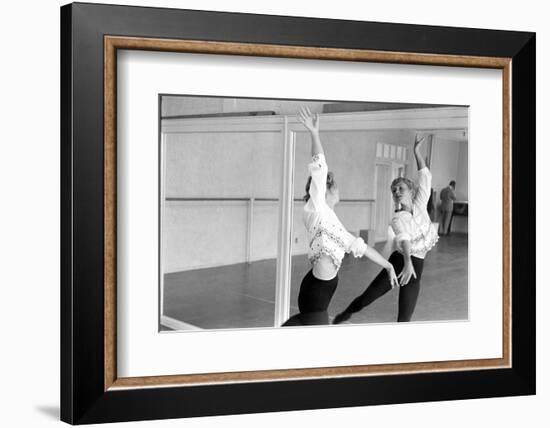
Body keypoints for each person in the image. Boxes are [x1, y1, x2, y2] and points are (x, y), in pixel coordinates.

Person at [282, 108, 398, 326]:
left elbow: (361, 247)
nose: (339, 190)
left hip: (320, 292)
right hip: (315, 292)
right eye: (336, 186)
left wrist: (388, 266)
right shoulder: (316, 208)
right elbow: (319, 168)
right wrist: (314, 134)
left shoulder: (334, 223)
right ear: (327, 190)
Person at [333, 134, 438, 324]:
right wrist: (407, 263)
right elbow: (404, 239)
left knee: (405, 318)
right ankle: (346, 313)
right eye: (394, 191)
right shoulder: (397, 219)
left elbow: (425, 176)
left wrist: (416, 152)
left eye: (400, 189)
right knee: (368, 297)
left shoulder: (420, 204)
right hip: (400, 261)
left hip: (416, 267)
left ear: (411, 191)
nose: (396, 193)